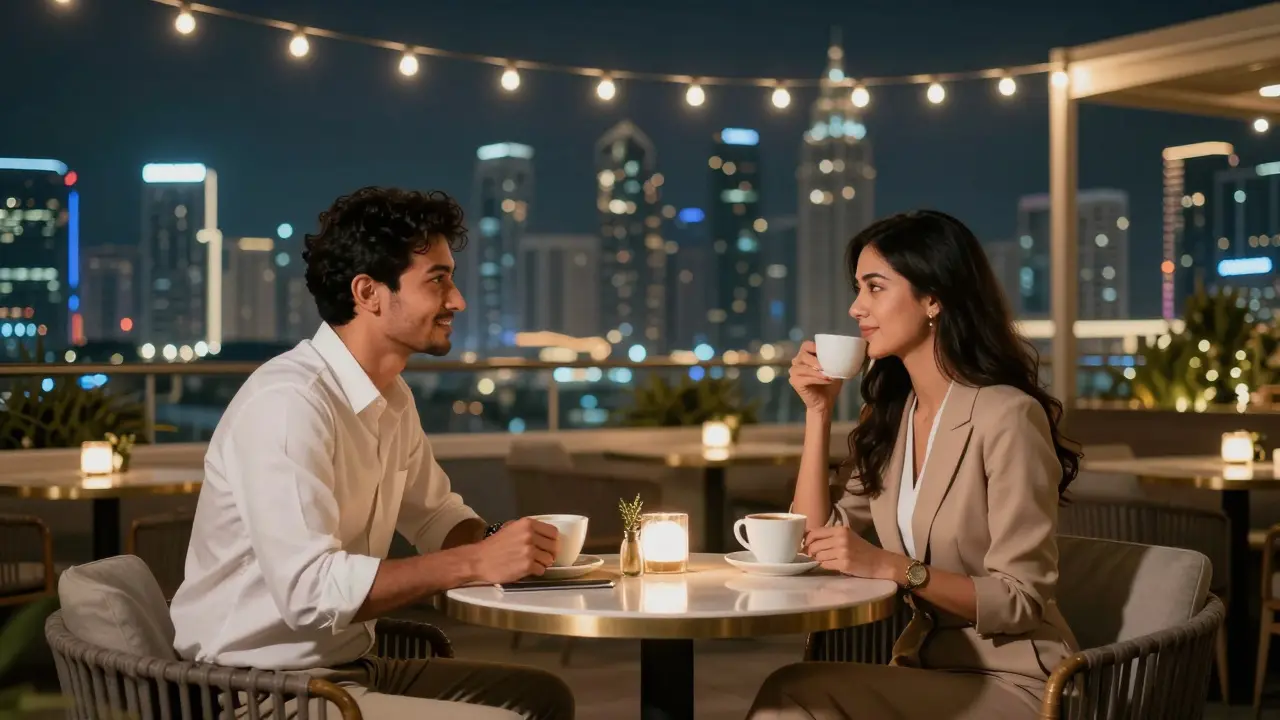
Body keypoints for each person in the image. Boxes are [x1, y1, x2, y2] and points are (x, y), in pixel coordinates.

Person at [169, 187, 574, 720]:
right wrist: (477, 561)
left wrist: (514, 547)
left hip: (349, 667)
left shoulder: (391, 395)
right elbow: (310, 593)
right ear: (369, 293)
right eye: (438, 279)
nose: (458, 300)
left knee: (543, 698)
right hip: (254, 690)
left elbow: (436, 515)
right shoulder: (291, 403)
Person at [747, 210, 1082, 719]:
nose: (856, 307)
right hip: (923, 668)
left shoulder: (1007, 416)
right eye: (857, 288)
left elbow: (1021, 600)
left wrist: (891, 566)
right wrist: (817, 413)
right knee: (792, 694)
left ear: (933, 298)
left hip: (1018, 681)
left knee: (793, 693)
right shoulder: (893, 417)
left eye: (875, 287)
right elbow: (810, 541)